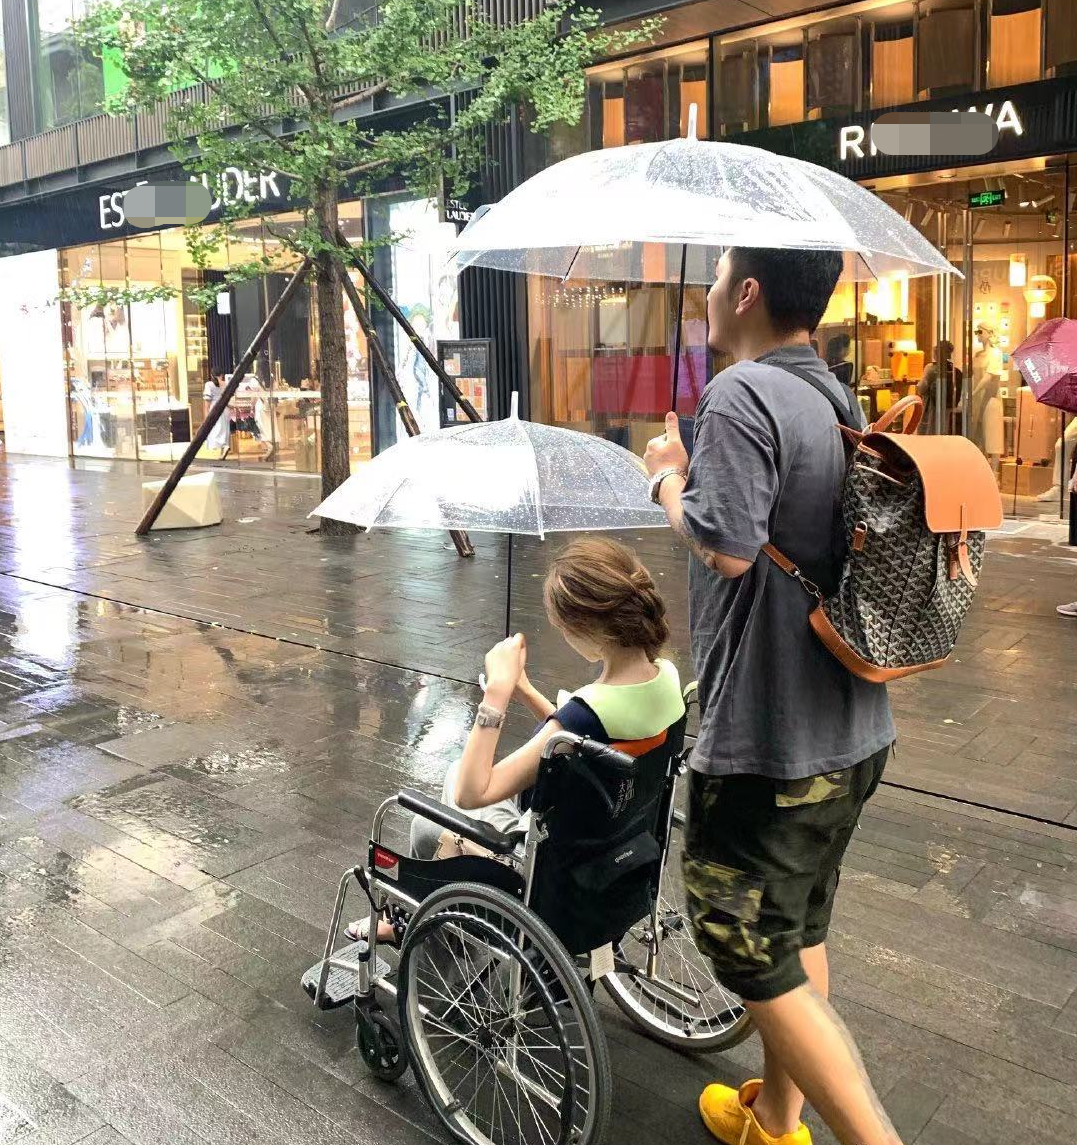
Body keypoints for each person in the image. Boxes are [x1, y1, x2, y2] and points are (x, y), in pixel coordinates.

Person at [643, 247, 899, 1145]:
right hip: (852, 724)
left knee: (739, 941)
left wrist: (667, 475)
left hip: (769, 732)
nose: (708, 292)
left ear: (746, 292)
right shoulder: (833, 396)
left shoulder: (742, 394)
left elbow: (725, 546)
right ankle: (777, 1122)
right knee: (793, 927)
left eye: (716, 277)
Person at [345, 537, 686, 942]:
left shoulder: (588, 709)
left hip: (549, 875)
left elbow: (476, 792)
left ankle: (422, 934)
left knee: (429, 820)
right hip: (616, 846)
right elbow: (581, 741)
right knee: (456, 771)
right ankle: (424, 918)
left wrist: (497, 694)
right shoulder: (666, 677)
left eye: (562, 627)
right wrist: (526, 690)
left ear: (588, 630)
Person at [969, 323, 1004, 473]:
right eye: (976, 332)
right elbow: (971, 376)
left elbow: (989, 377)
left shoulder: (996, 354)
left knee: (993, 434)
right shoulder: (977, 355)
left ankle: (995, 472)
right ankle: (980, 470)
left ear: (989, 333)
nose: (977, 334)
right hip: (977, 400)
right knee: (977, 434)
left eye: (980, 331)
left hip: (990, 399)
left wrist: (974, 392)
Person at [917, 340, 963, 435]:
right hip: (947, 409)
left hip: (931, 409)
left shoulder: (931, 369)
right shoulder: (955, 371)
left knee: (928, 433)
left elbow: (921, 389)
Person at [202, 373, 231, 457]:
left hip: (215, 408)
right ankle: (224, 447)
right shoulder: (226, 384)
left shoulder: (209, 384)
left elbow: (207, 400)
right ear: (222, 375)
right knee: (224, 429)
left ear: (212, 375)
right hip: (225, 408)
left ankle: (222, 447)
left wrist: (206, 414)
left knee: (215, 429)